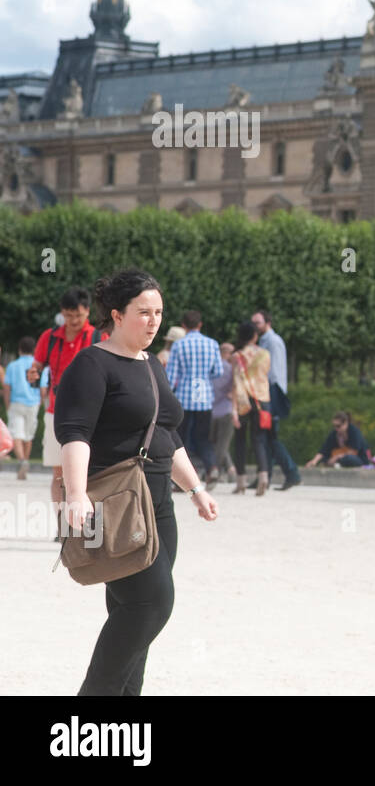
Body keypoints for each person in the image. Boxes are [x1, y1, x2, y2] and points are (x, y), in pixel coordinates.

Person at [54, 267, 218, 695]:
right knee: (152, 604)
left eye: (159, 312)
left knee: (131, 612)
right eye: (143, 312)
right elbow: (74, 433)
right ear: (117, 315)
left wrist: (196, 489)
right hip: (114, 502)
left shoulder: (152, 365)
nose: (153, 321)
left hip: (159, 503)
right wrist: (74, 495)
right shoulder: (91, 364)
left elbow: (167, 434)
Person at [30, 288, 101, 500]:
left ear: (87, 311)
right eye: (68, 315)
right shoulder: (49, 337)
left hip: (91, 413)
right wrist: (33, 373)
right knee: (59, 475)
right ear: (62, 313)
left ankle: (88, 529)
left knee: (91, 473)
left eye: (78, 315)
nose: (73, 320)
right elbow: (37, 365)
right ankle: (63, 529)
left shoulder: (98, 337)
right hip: (56, 412)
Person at [164, 310, 224, 485]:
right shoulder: (212, 344)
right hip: (204, 398)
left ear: (183, 326)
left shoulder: (178, 345)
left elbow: (171, 376)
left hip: (184, 397)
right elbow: (218, 371)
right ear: (200, 325)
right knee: (203, 438)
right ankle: (212, 467)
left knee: (180, 441)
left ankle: (186, 478)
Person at [251, 309, 301, 490]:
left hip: (271, 394)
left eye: (257, 323)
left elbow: (275, 372)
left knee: (271, 437)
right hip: (269, 393)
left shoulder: (273, 342)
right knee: (267, 437)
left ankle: (291, 472)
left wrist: (270, 397)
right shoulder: (265, 341)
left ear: (267, 322)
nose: (254, 326)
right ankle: (267, 475)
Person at [231, 321, 274, 496]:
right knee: (259, 440)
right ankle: (263, 476)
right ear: (255, 336)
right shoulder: (265, 354)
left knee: (240, 441)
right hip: (262, 399)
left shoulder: (237, 356)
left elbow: (236, 382)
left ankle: (241, 480)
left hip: (243, 400)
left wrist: (234, 408)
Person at [3, 336, 42, 479]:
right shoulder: (37, 365)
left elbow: (7, 388)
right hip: (33, 403)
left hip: (17, 402)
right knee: (28, 436)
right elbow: (42, 386)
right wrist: (41, 401)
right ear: (34, 350)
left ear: (19, 349)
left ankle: (22, 461)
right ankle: (24, 463)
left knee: (16, 435)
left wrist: (7, 405)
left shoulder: (13, 366)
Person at [209, 342, 239, 491]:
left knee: (215, 443)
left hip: (211, 411)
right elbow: (236, 388)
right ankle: (215, 470)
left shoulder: (212, 368)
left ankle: (230, 468)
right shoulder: (231, 369)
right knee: (223, 444)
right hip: (227, 410)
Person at [305, 411, 372, 467]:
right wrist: (314, 461)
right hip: (340, 457)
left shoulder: (354, 432)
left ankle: (335, 464)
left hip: (359, 459)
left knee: (349, 458)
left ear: (345, 423)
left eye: (338, 426)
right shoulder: (334, 433)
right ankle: (334, 464)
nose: (336, 429)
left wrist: (336, 457)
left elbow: (354, 452)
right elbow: (324, 450)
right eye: (334, 426)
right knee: (324, 458)